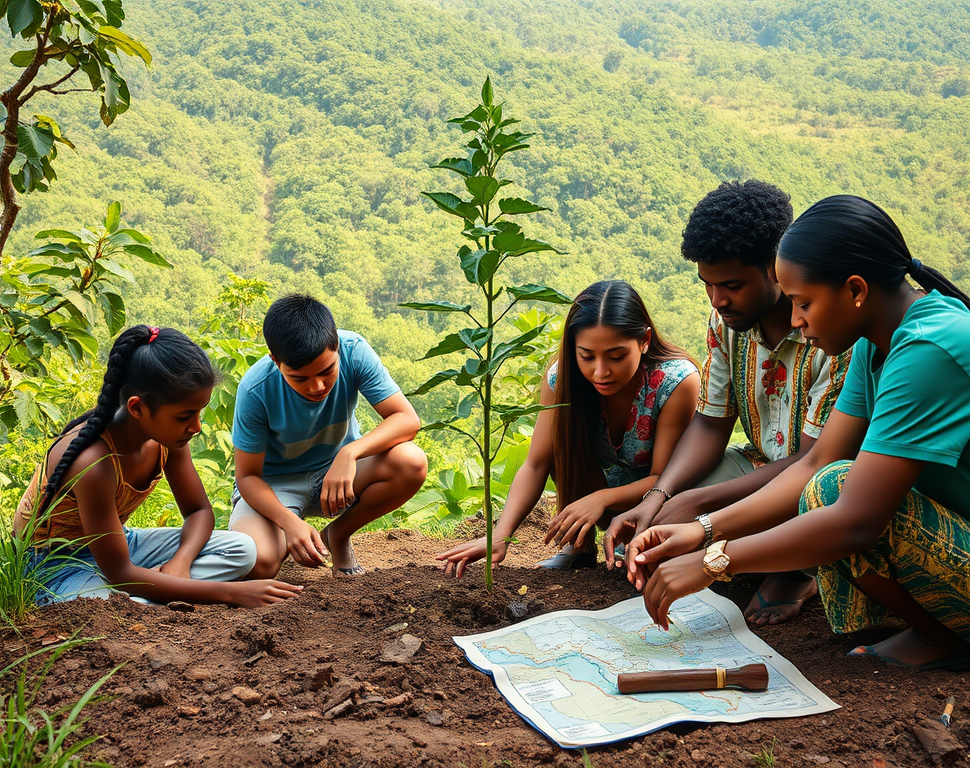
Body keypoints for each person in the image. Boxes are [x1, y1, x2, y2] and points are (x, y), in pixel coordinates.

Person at [627, 195, 970, 669]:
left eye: (803, 303)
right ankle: (937, 634)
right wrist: (701, 529)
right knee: (827, 479)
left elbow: (856, 517)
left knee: (835, 489)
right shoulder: (876, 343)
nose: (796, 320)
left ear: (855, 290)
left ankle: (944, 639)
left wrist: (715, 560)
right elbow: (813, 461)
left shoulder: (931, 347)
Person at [605, 180, 849, 625]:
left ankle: (796, 571)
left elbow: (813, 460)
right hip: (757, 467)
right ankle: (749, 554)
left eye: (732, 285)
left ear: (777, 268)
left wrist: (699, 508)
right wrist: (662, 495)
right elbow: (710, 424)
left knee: (821, 495)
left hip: (811, 477)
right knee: (675, 491)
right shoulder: (725, 323)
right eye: (708, 285)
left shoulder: (828, 333)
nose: (718, 300)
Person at [14, 325, 300, 607]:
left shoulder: (166, 439)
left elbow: (199, 511)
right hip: (54, 565)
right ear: (137, 408)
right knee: (102, 605)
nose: (197, 427)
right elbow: (120, 572)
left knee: (243, 549)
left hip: (118, 547)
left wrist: (181, 561)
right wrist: (231, 593)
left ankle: (148, 595)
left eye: (199, 413)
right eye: (185, 416)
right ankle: (144, 598)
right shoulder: (94, 462)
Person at [437, 280, 700, 577]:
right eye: (586, 356)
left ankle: (634, 543)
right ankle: (579, 546)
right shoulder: (562, 379)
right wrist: (500, 536)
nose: (600, 372)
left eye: (616, 356)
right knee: (562, 441)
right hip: (598, 494)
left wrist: (600, 499)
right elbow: (537, 464)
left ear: (645, 340)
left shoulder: (674, 382)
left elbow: (663, 479)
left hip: (661, 502)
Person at [230, 294, 427, 578]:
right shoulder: (255, 388)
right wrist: (289, 522)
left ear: (337, 346)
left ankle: (338, 534)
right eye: (299, 378)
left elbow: (406, 419)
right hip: (275, 486)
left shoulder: (354, 350)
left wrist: (349, 453)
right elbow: (247, 477)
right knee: (258, 563)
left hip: (339, 473)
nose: (317, 386)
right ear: (275, 360)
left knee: (411, 461)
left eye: (327, 371)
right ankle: (284, 533)